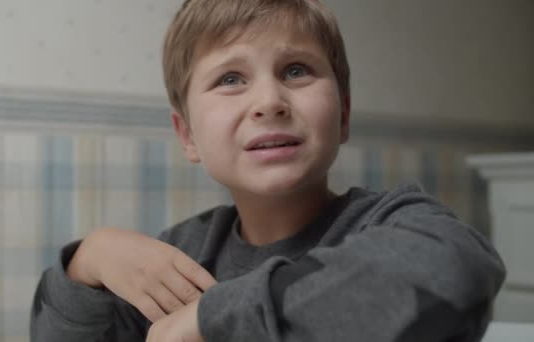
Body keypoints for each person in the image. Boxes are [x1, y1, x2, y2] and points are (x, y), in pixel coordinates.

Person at [30, 0, 506, 341]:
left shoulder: (388, 222)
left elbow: (455, 272)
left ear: (342, 115)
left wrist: (210, 319)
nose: (270, 102)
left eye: (296, 70)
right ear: (188, 135)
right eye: (231, 79)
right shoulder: (182, 257)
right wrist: (87, 260)